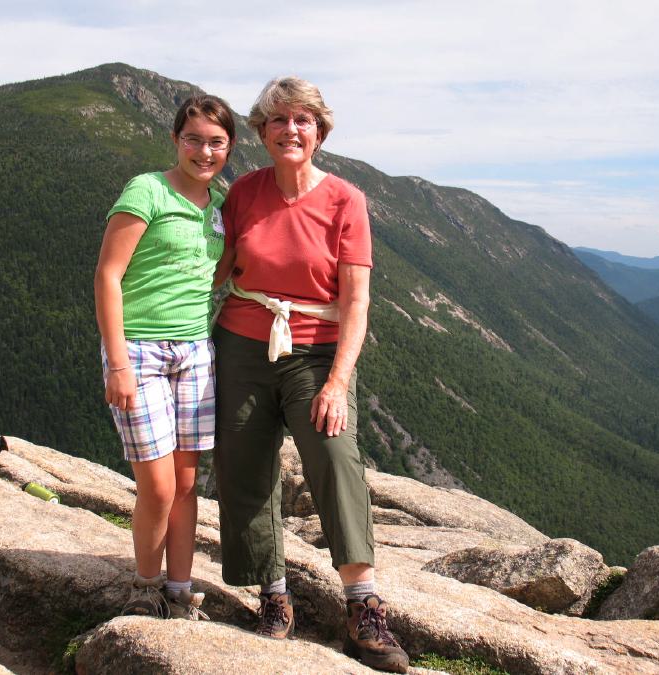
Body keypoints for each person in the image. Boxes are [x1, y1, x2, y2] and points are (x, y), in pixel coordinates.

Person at [212, 76, 409, 673]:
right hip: (243, 344)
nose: (291, 130)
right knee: (243, 464)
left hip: (316, 352)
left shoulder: (345, 200)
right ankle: (272, 593)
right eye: (278, 120)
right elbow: (217, 271)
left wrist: (338, 382)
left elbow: (357, 301)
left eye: (303, 120)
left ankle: (362, 603)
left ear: (320, 131)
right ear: (262, 131)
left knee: (334, 455)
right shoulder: (241, 193)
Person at [94, 94, 235, 620]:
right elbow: (109, 275)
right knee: (155, 486)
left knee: (184, 483)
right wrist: (119, 363)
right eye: (194, 139)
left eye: (216, 142)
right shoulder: (147, 190)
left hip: (196, 350)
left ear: (229, 148)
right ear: (176, 140)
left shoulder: (218, 207)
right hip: (139, 351)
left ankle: (180, 589)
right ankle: (144, 586)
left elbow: (215, 272)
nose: (204, 150)